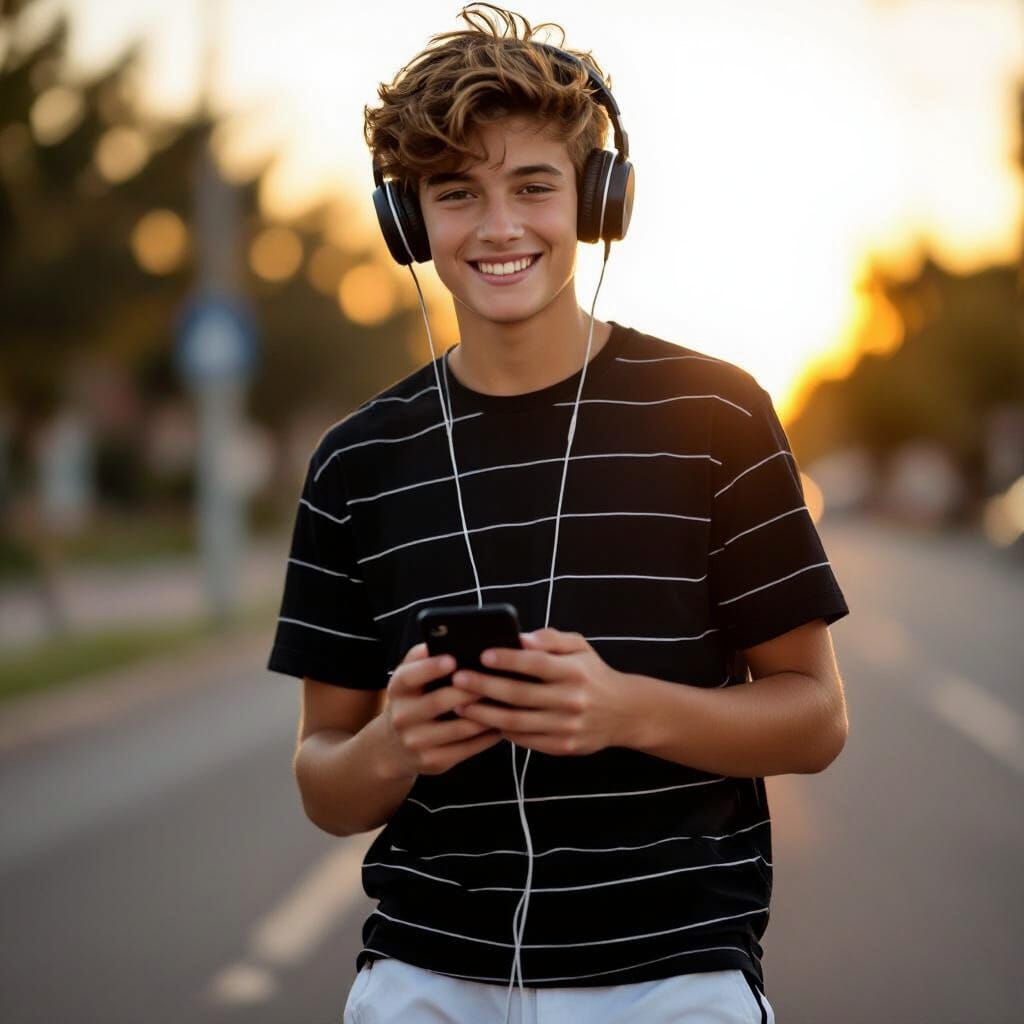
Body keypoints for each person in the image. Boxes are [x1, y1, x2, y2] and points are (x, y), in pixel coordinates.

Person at [267, 5, 850, 1022]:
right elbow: (325, 781)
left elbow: (814, 717)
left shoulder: (717, 414)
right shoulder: (354, 462)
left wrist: (626, 710)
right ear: (409, 221)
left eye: (532, 185)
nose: (498, 227)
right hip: (423, 977)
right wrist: (396, 743)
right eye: (456, 194)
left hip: (672, 977)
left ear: (595, 201)